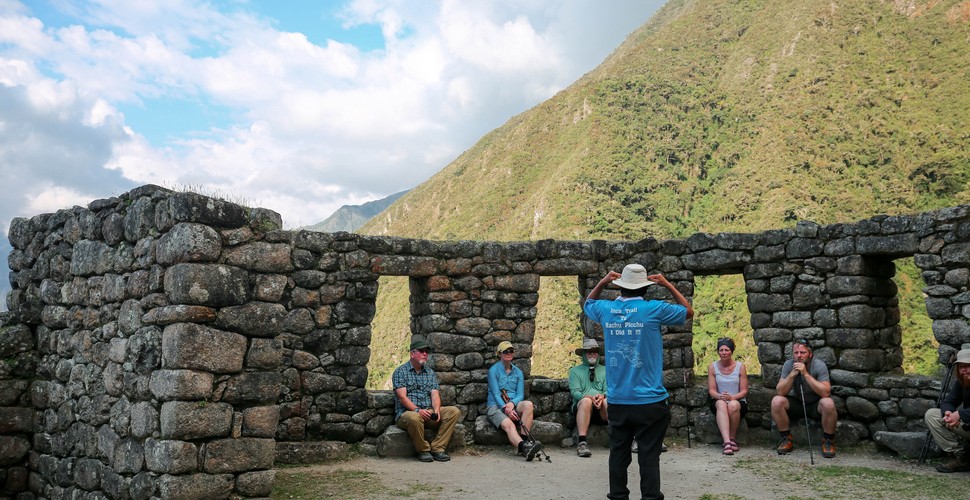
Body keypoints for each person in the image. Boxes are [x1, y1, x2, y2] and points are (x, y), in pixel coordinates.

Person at [583, 264, 693, 500]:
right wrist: (667, 284)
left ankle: (618, 496)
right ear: (645, 287)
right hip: (650, 400)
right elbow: (688, 311)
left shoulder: (607, 309)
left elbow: (588, 304)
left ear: (620, 286)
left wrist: (602, 282)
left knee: (618, 454)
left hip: (619, 400)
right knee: (649, 456)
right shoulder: (653, 309)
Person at [392, 336, 461, 462]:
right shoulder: (400, 372)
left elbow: (435, 394)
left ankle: (438, 448)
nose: (425, 354)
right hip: (407, 414)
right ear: (412, 354)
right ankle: (423, 450)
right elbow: (402, 397)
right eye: (421, 351)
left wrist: (436, 411)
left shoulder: (430, 372)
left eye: (426, 352)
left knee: (453, 411)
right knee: (414, 417)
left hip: (427, 411)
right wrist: (417, 410)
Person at [770, 338, 837, 458]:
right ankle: (786, 438)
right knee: (776, 401)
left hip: (816, 405)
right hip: (798, 403)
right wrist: (792, 375)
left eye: (803, 352)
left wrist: (806, 374)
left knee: (828, 403)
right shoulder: (788, 365)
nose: (799, 356)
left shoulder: (819, 365)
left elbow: (825, 392)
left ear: (810, 354)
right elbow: (780, 391)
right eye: (796, 353)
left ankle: (828, 441)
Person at [486, 340, 543, 461]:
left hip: (512, 404)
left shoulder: (518, 372)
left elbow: (520, 394)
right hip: (496, 406)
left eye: (511, 351)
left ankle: (525, 441)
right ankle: (523, 447)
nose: (509, 353)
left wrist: (512, 404)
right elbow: (496, 394)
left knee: (528, 404)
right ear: (499, 354)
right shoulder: (493, 371)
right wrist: (506, 410)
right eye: (505, 351)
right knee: (509, 425)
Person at [923, 348, 970, 473]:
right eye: (961, 367)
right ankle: (961, 456)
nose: (964, 370)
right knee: (932, 415)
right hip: (968, 426)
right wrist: (948, 413)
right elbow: (949, 401)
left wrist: (960, 414)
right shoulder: (962, 382)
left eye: (967, 366)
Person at [707, 337, 748, 456]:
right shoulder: (712, 367)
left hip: (738, 401)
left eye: (727, 350)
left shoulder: (740, 367)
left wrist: (732, 397)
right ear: (718, 352)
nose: (724, 353)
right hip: (719, 401)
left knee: (733, 405)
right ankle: (727, 442)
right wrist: (720, 396)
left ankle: (732, 437)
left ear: (731, 351)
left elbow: (744, 390)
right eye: (721, 350)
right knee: (721, 404)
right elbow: (712, 390)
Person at [569, 338, 608, 457]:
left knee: (608, 402)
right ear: (584, 354)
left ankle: (619, 439)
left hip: (601, 408)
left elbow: (609, 389)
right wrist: (588, 397)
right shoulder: (575, 371)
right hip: (583, 407)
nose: (592, 354)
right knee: (585, 401)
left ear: (598, 353)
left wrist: (602, 396)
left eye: (594, 351)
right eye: (588, 351)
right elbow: (575, 392)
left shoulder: (605, 370)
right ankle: (582, 442)